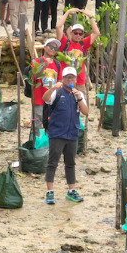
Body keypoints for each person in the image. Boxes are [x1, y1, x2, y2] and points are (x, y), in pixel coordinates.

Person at [42, 65, 88, 205]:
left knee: (70, 163)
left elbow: (86, 112)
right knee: (52, 163)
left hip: (72, 133)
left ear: (75, 78)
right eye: (67, 77)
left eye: (72, 77)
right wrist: (53, 88)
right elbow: (45, 98)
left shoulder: (78, 94)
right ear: (62, 78)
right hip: (57, 133)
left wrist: (79, 98)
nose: (69, 79)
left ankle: (71, 190)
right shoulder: (57, 92)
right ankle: (50, 192)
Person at [30, 37, 63, 134]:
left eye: (55, 48)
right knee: (37, 124)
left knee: (51, 123)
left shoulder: (58, 64)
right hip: (39, 99)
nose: (53, 49)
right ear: (44, 47)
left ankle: (48, 145)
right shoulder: (37, 61)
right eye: (50, 46)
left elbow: (60, 80)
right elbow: (34, 76)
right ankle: (36, 145)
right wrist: (44, 65)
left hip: (52, 100)